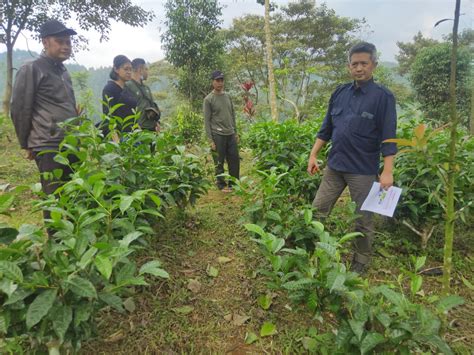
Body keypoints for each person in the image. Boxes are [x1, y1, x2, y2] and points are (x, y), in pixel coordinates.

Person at [306, 42, 397, 273]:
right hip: (335, 166)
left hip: (362, 170)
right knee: (318, 210)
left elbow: (389, 136)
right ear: (349, 66)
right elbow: (326, 128)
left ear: (373, 65)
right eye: (354, 64)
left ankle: (361, 261)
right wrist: (313, 154)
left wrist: (388, 171)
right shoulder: (339, 93)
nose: (359, 68)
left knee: (363, 219)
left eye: (364, 63)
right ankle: (309, 248)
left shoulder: (383, 97)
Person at [11, 19, 79, 205]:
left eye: (68, 42)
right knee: (54, 199)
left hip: (71, 143)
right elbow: (20, 108)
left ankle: (73, 234)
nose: (66, 46)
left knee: (75, 195)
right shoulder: (32, 68)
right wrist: (26, 143)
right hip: (48, 144)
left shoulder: (63, 71)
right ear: (45, 42)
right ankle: (55, 235)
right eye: (60, 41)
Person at [203, 70, 240, 192]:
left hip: (230, 133)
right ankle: (221, 185)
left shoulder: (228, 96)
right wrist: (210, 140)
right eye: (217, 80)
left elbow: (232, 115)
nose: (220, 83)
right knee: (219, 162)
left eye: (221, 80)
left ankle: (234, 184)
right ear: (212, 82)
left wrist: (236, 131)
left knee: (234, 160)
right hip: (217, 134)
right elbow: (207, 121)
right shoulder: (208, 99)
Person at [101, 55, 137, 133]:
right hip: (120, 134)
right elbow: (109, 117)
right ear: (116, 69)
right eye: (126, 69)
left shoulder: (128, 89)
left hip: (132, 134)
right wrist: (116, 141)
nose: (129, 72)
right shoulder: (109, 89)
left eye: (130, 69)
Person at [125, 58, 161, 132]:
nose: (147, 72)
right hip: (139, 129)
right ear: (140, 70)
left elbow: (152, 105)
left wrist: (157, 123)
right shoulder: (128, 86)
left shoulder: (146, 88)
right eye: (146, 69)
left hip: (152, 128)